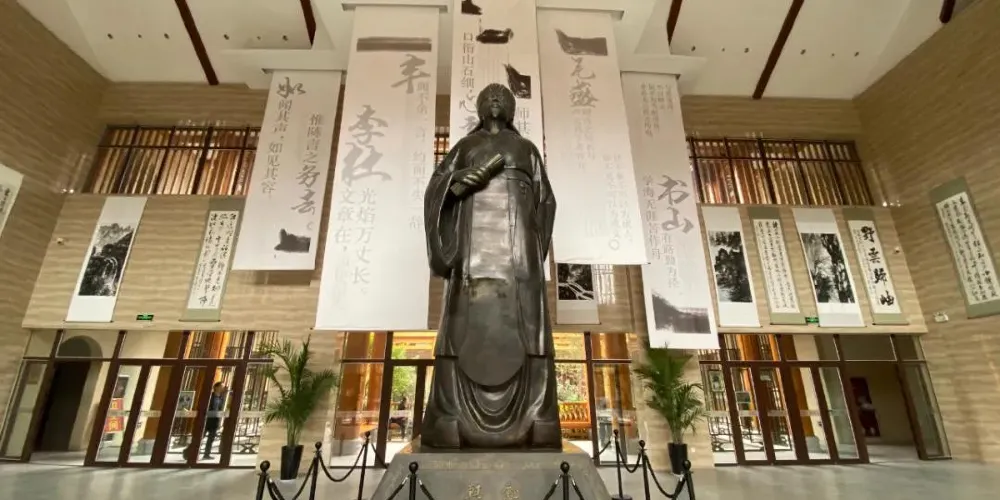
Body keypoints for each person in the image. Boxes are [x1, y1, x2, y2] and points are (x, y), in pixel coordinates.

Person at [421, 83, 561, 449]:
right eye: (489, 96)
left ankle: (536, 417)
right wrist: (455, 182)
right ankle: (451, 417)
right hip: (472, 251)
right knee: (462, 319)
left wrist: (534, 242)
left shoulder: (526, 149)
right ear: (480, 107)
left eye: (503, 97)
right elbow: (436, 186)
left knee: (528, 322)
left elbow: (546, 200)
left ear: (512, 110)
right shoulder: (465, 146)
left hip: (520, 253)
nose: (495, 99)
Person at [202, 382, 227, 459]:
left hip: (215, 420)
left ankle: (206, 454)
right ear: (216, 387)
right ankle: (188, 451)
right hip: (207, 419)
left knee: (211, 438)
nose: (223, 388)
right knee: (200, 436)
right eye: (221, 386)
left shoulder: (221, 398)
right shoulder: (210, 396)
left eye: (223, 387)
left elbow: (220, 409)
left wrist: (220, 421)